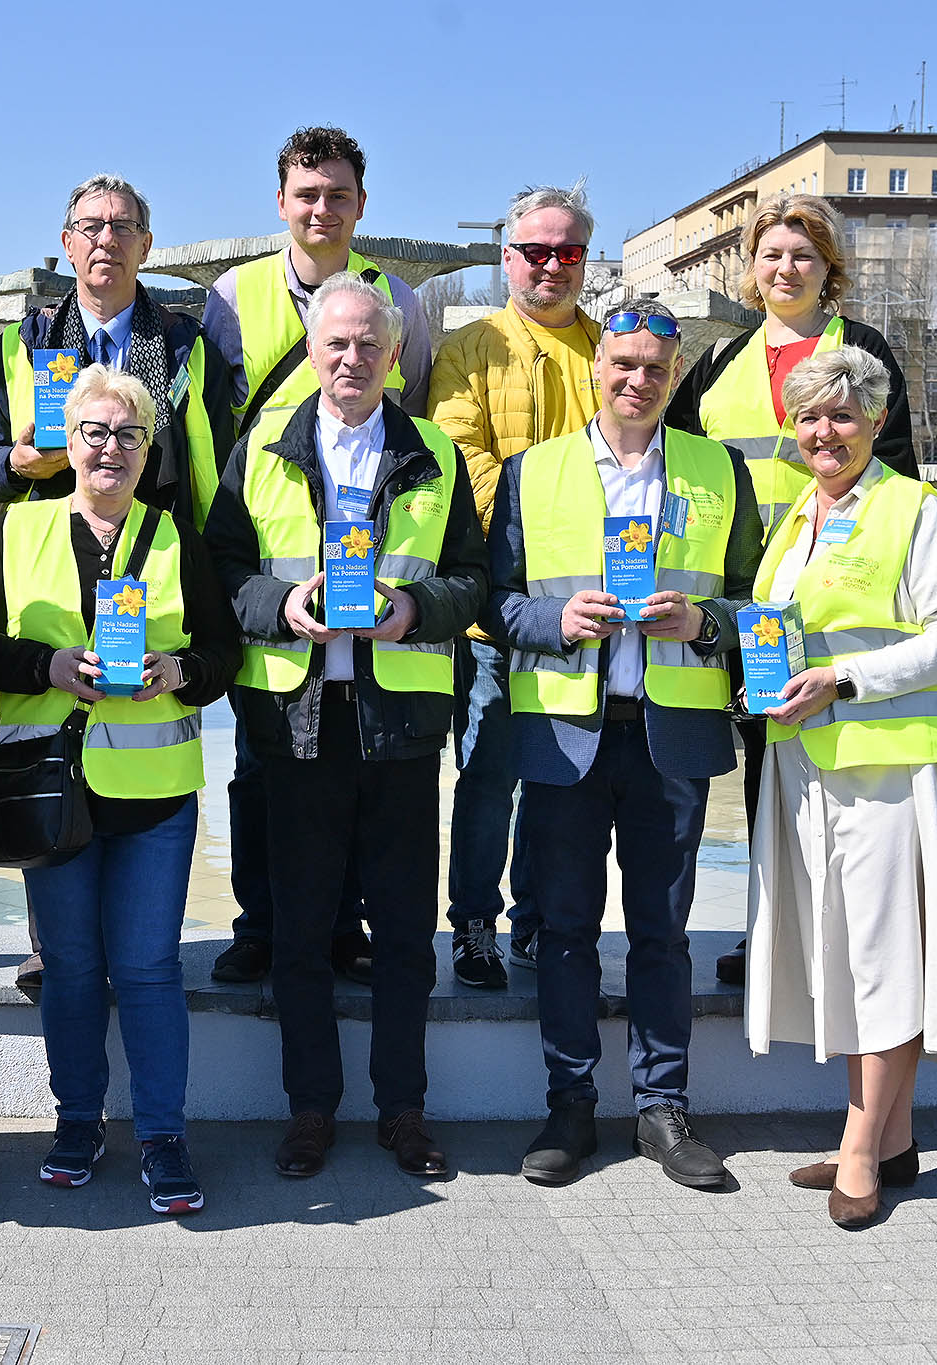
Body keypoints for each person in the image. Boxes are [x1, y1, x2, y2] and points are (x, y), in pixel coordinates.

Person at [206, 272, 486, 1180]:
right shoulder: (262, 451)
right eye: (337, 344)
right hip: (295, 723)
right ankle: (312, 1110)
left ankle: (403, 1108)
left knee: (405, 932)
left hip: (399, 726)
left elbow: (476, 580)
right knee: (300, 934)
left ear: (396, 353)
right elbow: (222, 573)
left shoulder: (437, 455)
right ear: (315, 353)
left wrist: (414, 607)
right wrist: (284, 603)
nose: (353, 358)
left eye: (371, 343)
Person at [486, 298, 762, 1188]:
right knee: (563, 929)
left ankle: (661, 1109)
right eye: (623, 364)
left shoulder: (718, 472)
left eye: (655, 367)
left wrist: (706, 621)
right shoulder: (535, 473)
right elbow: (496, 603)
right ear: (596, 367)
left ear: (673, 376)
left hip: (668, 733)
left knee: (662, 931)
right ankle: (570, 1105)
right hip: (568, 732)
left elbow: (760, 602)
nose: (637, 379)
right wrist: (555, 617)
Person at [0, 366, 240, 1215]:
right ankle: (77, 1120)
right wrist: (43, 664)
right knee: (73, 968)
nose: (109, 448)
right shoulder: (18, 530)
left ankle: (162, 1134)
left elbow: (222, 656)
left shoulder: (174, 537)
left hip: (153, 792)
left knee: (149, 969)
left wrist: (178, 670)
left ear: (148, 449)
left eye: (127, 434)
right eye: (93, 432)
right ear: (67, 442)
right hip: (53, 788)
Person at [744, 347, 937, 1230]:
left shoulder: (918, 512)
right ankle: (894, 1137)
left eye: (842, 416)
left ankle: (860, 1150)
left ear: (875, 423)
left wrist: (844, 678)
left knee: (887, 958)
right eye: (809, 416)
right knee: (847, 960)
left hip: (891, 771)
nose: (824, 431)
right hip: (811, 769)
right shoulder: (795, 523)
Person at [663, 192, 918, 989]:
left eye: (803, 254)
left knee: (838, 773)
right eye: (771, 254)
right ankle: (772, 932)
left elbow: (901, 475)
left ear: (826, 267)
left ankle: (843, 936)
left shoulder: (863, 350)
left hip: (837, 594)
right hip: (749, 601)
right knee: (763, 768)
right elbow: (673, 465)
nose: (786, 267)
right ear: (751, 267)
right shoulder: (717, 364)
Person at [206, 126, 426, 986]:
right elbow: (221, 424)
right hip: (272, 554)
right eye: (308, 194)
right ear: (281, 203)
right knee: (262, 763)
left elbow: (417, 418)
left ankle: (346, 927)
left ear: (361, 205)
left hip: (369, 567)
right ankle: (261, 920)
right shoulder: (232, 295)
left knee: (359, 767)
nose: (322, 208)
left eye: (338, 194)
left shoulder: (400, 300)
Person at [428, 183, 604, 987]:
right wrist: (555, 536)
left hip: (588, 609)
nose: (552, 266)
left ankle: (538, 918)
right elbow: (466, 467)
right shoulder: (469, 350)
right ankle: (474, 922)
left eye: (567, 252)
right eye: (536, 251)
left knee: (562, 773)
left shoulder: (609, 349)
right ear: (508, 258)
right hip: (497, 607)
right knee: (489, 771)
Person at [0, 174, 235, 534]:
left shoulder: (188, 349)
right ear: (68, 245)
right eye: (91, 227)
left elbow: (225, 476)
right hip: (51, 558)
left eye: (123, 227)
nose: (107, 239)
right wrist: (16, 464)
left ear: (145, 245)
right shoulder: (23, 345)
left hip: (158, 557)